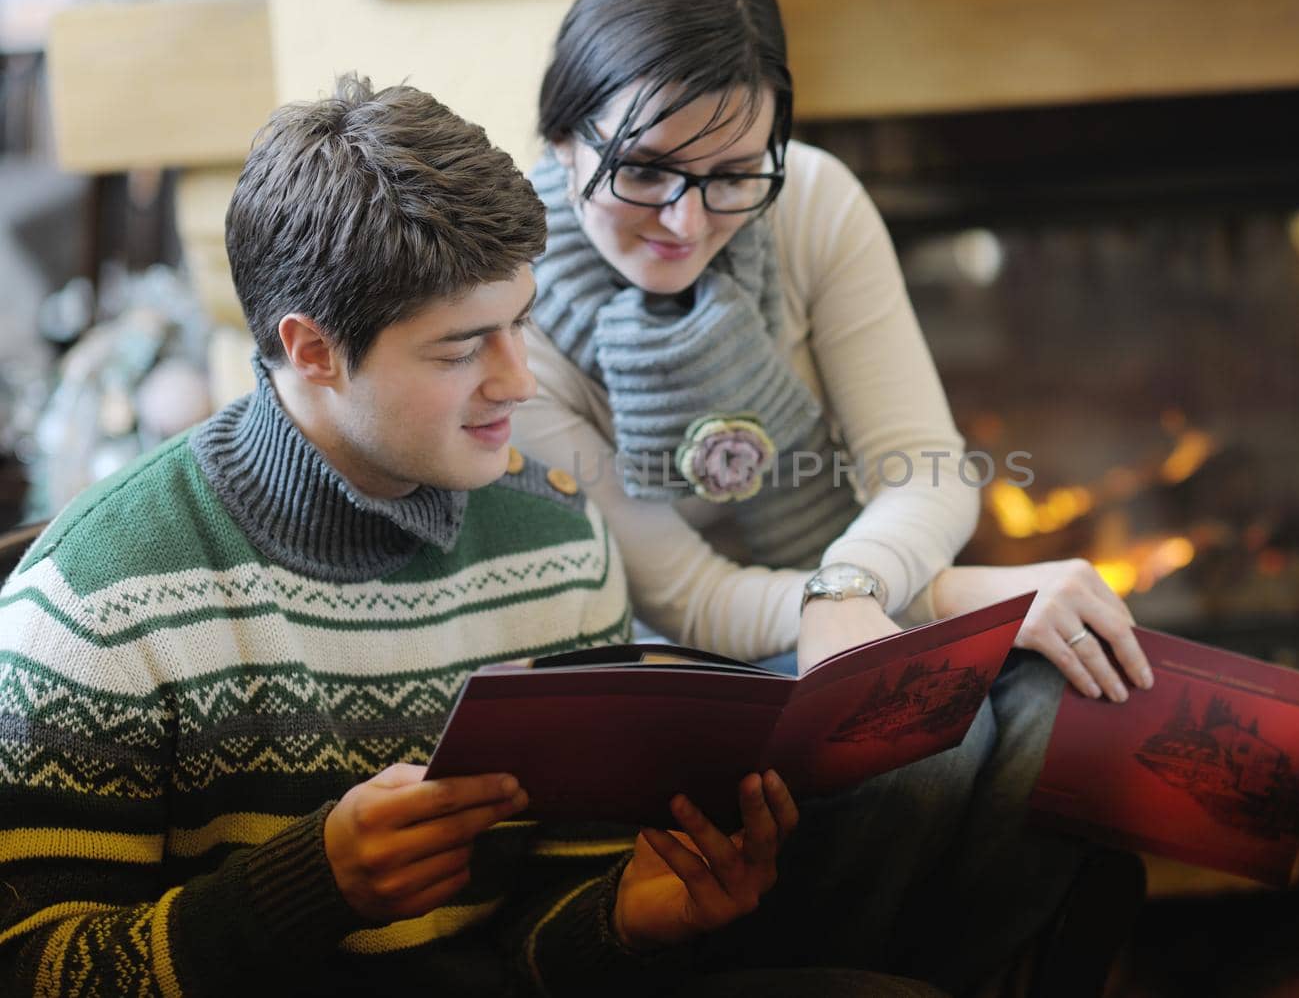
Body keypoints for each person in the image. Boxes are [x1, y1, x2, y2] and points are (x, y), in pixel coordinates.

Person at [0, 75, 816, 998]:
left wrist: (622, 918)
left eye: (522, 323)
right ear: (310, 350)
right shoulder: (95, 598)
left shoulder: (558, 541)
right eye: (463, 347)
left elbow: (538, 931)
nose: (520, 383)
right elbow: (31, 968)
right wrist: (311, 889)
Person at [513, 0, 1152, 994]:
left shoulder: (809, 201)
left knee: (1082, 708)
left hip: (862, 605)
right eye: (643, 171)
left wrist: (860, 593)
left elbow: (931, 469)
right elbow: (680, 595)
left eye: (730, 175)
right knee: (916, 740)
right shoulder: (511, 311)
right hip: (677, 668)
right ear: (559, 134)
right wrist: (930, 598)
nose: (688, 220)